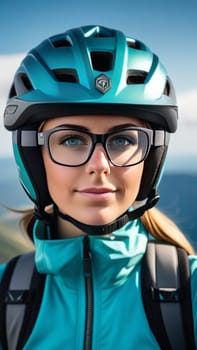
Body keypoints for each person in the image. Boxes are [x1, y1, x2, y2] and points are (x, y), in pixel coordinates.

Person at [1, 24, 197, 349]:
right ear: (32, 158)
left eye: (122, 140)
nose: (100, 165)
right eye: (72, 139)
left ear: (152, 160)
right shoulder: (6, 300)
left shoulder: (190, 291)